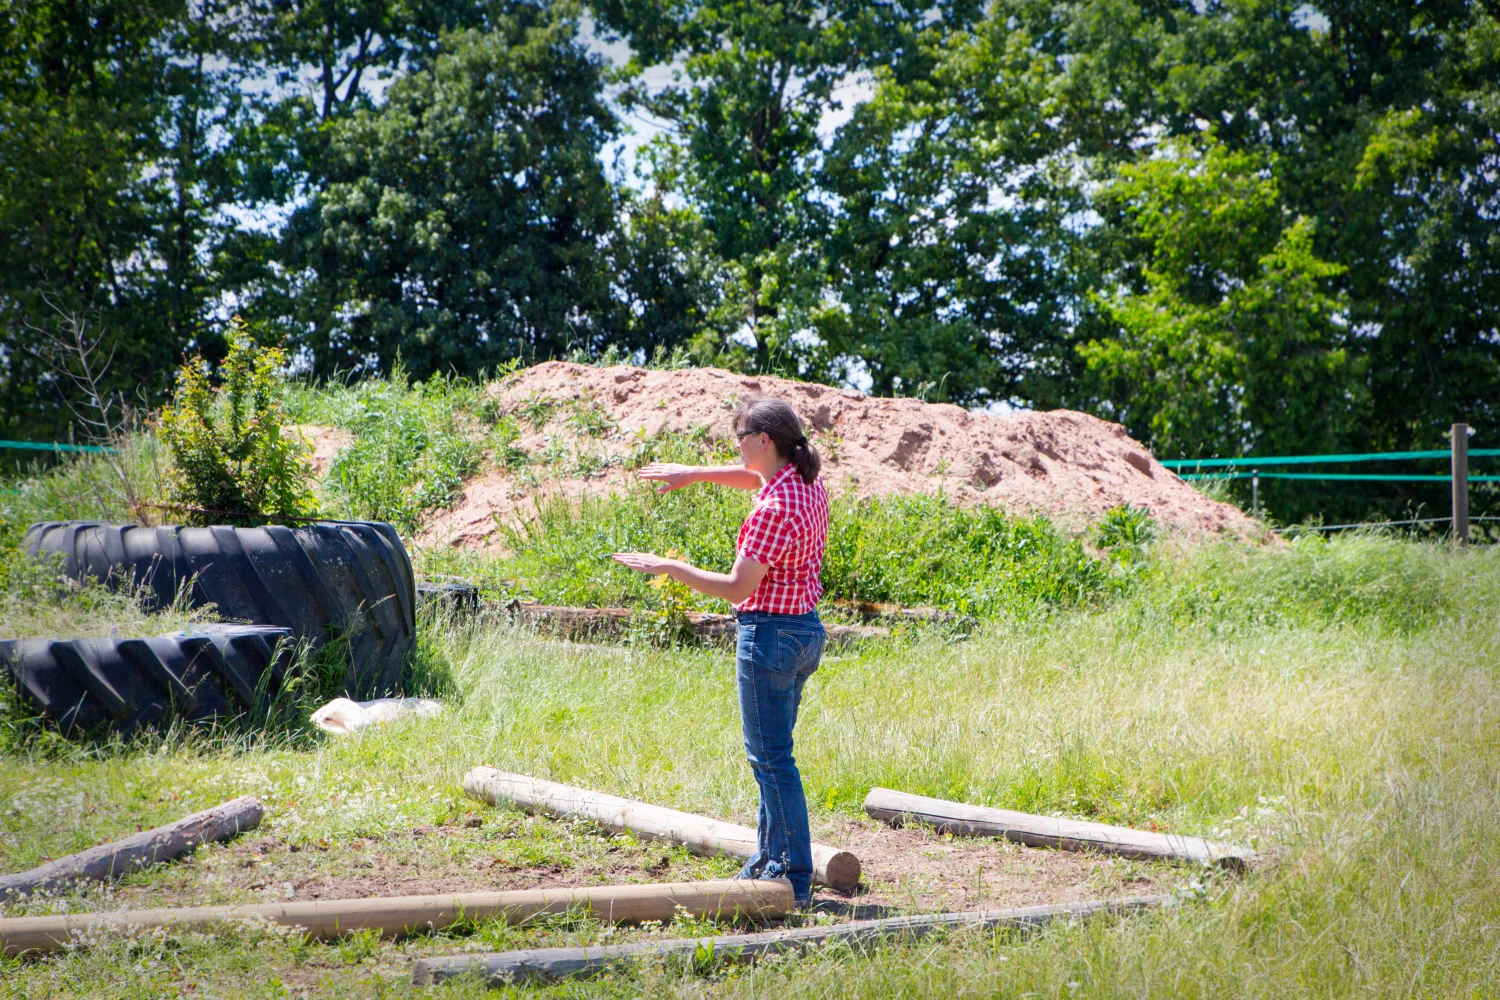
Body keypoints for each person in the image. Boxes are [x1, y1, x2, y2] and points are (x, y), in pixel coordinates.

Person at [612, 395, 829, 907]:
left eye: (740, 438)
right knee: (774, 758)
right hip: (804, 632)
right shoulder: (805, 483)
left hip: (770, 636)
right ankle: (768, 861)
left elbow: (736, 588)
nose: (735, 448)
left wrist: (667, 567)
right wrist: (693, 473)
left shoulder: (772, 510)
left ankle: (793, 877)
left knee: (772, 761)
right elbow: (750, 478)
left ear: (763, 440)